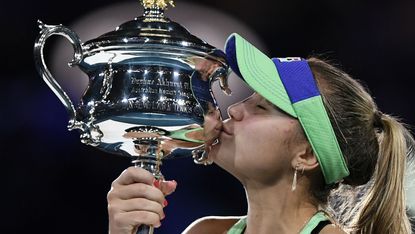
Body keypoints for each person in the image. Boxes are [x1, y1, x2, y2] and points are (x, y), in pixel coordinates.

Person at [106, 33, 414, 234]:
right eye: (248, 99)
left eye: (262, 108)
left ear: (305, 154)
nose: (236, 110)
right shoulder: (203, 232)